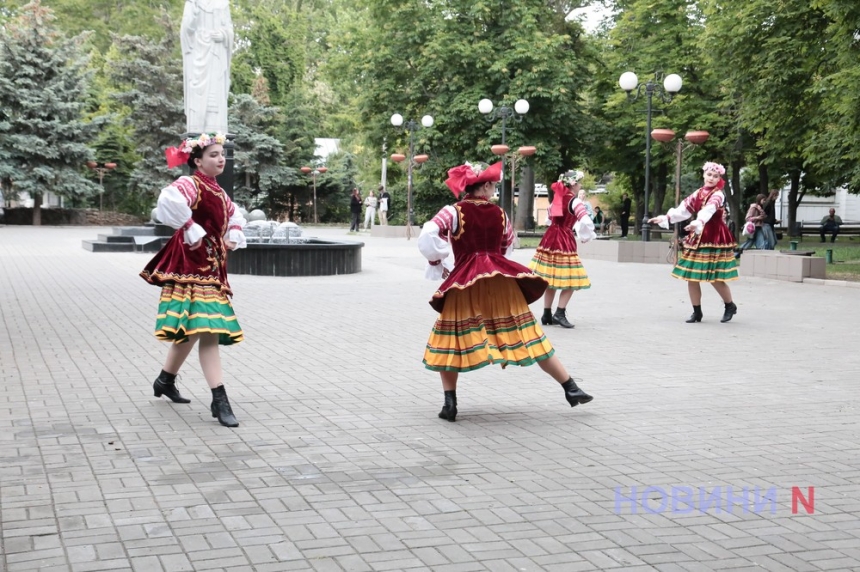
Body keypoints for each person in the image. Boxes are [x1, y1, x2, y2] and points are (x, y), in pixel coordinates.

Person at [418, 161, 593, 422]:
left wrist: (438, 261)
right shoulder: (500, 214)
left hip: (466, 282)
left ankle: (450, 404)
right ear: (485, 185)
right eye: (493, 186)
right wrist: (494, 263)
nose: (494, 190)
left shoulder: (452, 211)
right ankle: (570, 387)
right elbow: (507, 244)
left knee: (451, 339)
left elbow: (429, 232)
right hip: (500, 282)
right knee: (528, 332)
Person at [140, 132, 246, 427]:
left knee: (190, 330)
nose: (220, 158)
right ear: (198, 161)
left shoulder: (222, 195)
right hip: (189, 266)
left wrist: (233, 234)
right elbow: (168, 200)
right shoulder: (190, 184)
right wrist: (189, 226)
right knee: (209, 329)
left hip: (211, 267)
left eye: (222, 154)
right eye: (213, 154)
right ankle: (219, 399)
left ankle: (164, 380)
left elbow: (234, 217)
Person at [648, 162, 739, 323]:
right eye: (709, 175)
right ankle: (697, 312)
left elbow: (709, 210)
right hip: (698, 236)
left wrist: (698, 222)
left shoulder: (718, 194)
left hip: (714, 237)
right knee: (692, 276)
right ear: (703, 175)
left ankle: (729, 305)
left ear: (719, 178)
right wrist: (665, 218)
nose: (711, 178)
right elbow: (683, 209)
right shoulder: (698, 193)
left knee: (715, 276)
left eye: (715, 176)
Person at [529, 170, 595, 329]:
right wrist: (587, 235)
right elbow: (585, 220)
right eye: (579, 183)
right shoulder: (575, 201)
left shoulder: (557, 199)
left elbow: (548, 219)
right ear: (574, 184)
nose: (580, 186)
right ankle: (559, 312)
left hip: (550, 237)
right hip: (564, 238)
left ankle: (546, 313)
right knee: (572, 278)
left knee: (550, 278)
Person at [180, 0, 233, 134]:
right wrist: (193, 15)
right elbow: (186, 30)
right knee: (196, 93)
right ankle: (197, 131)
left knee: (215, 94)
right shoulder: (192, 2)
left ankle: (217, 132)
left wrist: (224, 35)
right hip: (197, 52)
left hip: (216, 53)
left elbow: (229, 29)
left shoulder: (223, 4)